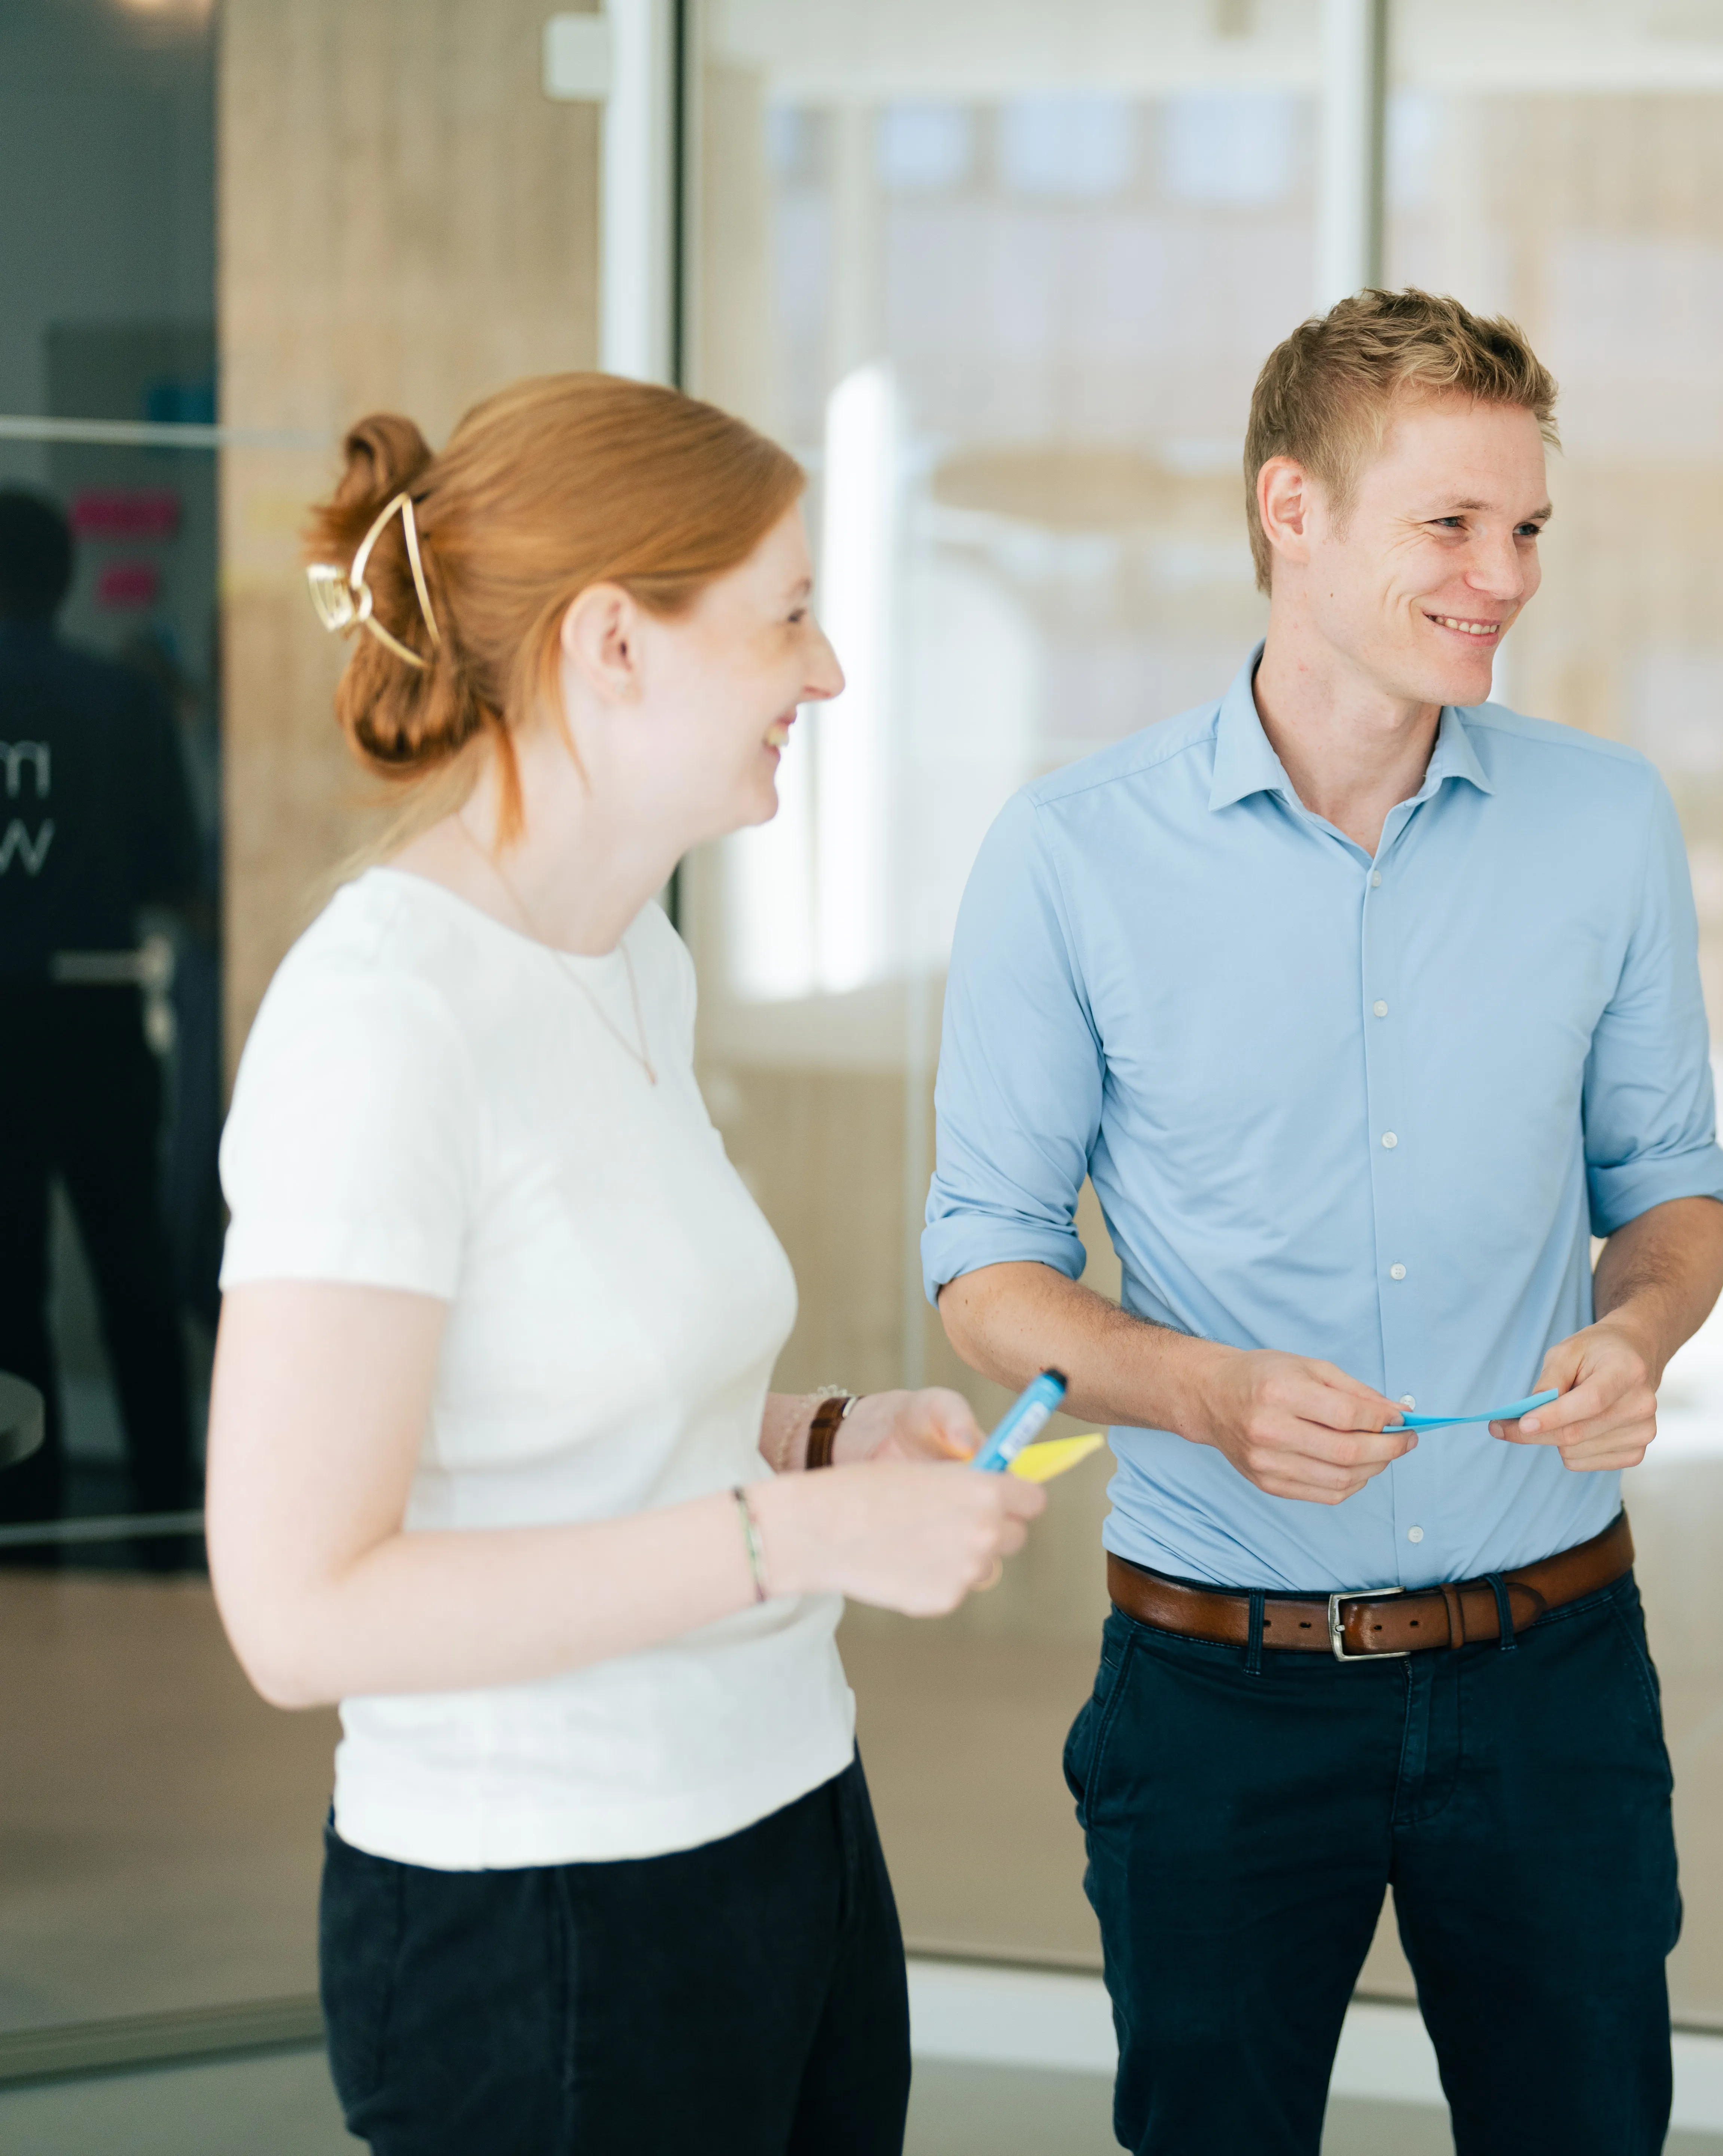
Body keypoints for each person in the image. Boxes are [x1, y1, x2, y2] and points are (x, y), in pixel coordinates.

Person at [925, 288, 1723, 2156]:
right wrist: (1198, 1390)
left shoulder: (1610, 827)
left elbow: (1671, 1189)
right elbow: (985, 1273)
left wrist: (1641, 1332)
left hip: (1556, 1680)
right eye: (1448, 525)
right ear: (1291, 510)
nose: (1501, 576)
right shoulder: (1071, 854)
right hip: (1218, 1691)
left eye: (1527, 527)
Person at [202, 376, 1047, 2156]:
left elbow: (589, 1416)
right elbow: (300, 1610)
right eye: (789, 617)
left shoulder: (628, 964)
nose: (826, 677)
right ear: (615, 644)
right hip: (549, 1919)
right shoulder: (383, 1023)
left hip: (788, 1823)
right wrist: (803, 1538)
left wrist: (820, 1441)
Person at [0, 486, 203, 1556]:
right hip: (100, 1009)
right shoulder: (121, 704)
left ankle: (23, 1523)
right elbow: (182, 874)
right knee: (131, 1269)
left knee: (5, 1287)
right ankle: (170, 1517)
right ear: (67, 577)